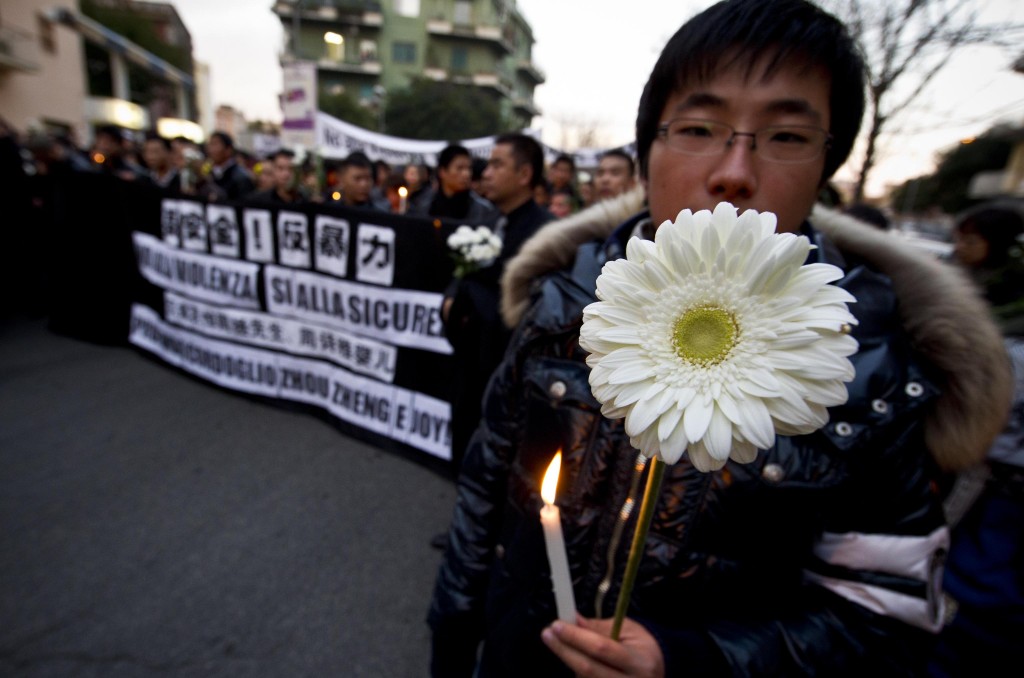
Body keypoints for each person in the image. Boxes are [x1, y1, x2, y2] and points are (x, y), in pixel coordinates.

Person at [427, 1, 1013, 676]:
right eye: (699, 127)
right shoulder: (564, 303)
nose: (735, 168)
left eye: (787, 136)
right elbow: (483, 499)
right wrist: (452, 643)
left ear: (828, 165)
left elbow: (889, 612)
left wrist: (695, 659)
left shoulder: (870, 366)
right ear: (648, 147)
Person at [440, 132, 552, 474]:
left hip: (506, 376)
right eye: (486, 164)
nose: (484, 172)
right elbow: (465, 275)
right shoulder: (487, 222)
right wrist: (452, 297)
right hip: (469, 365)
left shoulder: (548, 236)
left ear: (524, 175)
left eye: (496, 164)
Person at [950, 202, 1024, 335]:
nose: (958, 247)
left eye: (970, 241)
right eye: (958, 239)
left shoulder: (1010, 293)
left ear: (998, 244)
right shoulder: (955, 270)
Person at [408, 143, 498, 224]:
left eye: (469, 168)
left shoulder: (484, 211)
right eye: (460, 168)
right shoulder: (420, 206)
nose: (466, 174)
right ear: (442, 171)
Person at [204, 131, 255, 201]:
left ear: (228, 150)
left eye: (215, 144)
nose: (210, 149)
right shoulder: (209, 172)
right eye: (210, 144)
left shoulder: (241, 177)